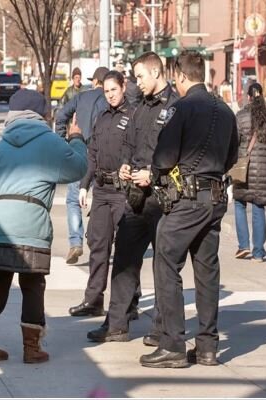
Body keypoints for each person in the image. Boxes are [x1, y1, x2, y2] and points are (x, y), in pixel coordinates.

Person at [0, 89, 87, 364]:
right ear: (40, 114)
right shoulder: (49, 142)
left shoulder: (1, 145)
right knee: (33, 284)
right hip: (32, 222)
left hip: (1, 221)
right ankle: (32, 348)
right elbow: (78, 168)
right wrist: (77, 139)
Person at [140, 50, 238, 368]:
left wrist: (158, 171)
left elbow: (164, 158)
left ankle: (173, 344)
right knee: (207, 271)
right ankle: (207, 346)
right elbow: (232, 157)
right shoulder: (225, 110)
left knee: (166, 260)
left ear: (181, 76)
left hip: (188, 200)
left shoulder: (180, 108)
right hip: (216, 198)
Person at [87, 51, 179, 342]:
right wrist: (126, 163)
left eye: (140, 77)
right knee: (124, 258)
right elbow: (130, 142)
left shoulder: (176, 107)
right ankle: (116, 323)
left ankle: (161, 328)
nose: (137, 83)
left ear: (156, 72)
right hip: (136, 196)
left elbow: (179, 152)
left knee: (163, 265)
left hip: (163, 196)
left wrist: (153, 173)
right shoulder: (140, 107)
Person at [71, 70, 134, 319]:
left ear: (123, 87)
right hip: (102, 190)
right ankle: (93, 299)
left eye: (114, 90)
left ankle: (130, 301)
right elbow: (92, 154)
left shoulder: (133, 115)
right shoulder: (102, 117)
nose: (110, 95)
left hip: (123, 191)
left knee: (126, 250)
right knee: (98, 245)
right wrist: (84, 185)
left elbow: (136, 149)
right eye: (106, 91)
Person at [55, 66, 109, 266]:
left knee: (73, 200)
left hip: (80, 151)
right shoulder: (112, 99)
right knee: (103, 198)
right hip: (105, 155)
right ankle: (100, 240)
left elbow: (61, 116)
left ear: (95, 81)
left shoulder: (81, 98)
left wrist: (62, 140)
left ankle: (76, 242)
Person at [233, 82, 266, 262]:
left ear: (249, 96)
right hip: (264, 171)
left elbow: (234, 143)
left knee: (239, 204)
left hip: (244, 170)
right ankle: (259, 253)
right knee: (258, 208)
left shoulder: (241, 116)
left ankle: (244, 246)